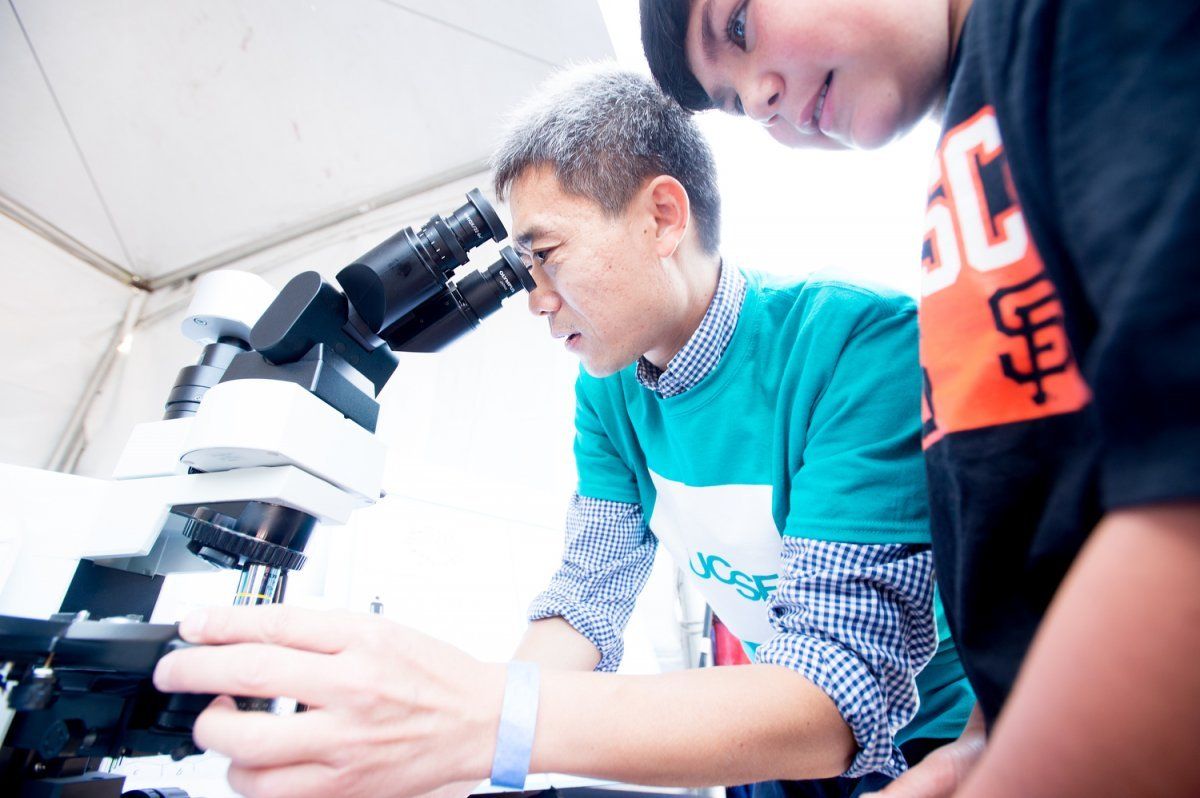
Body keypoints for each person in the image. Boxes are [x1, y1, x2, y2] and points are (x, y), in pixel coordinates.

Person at [153, 66, 974, 798]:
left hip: (922, 738)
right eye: (521, 269)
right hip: (762, 735)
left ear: (662, 218)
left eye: (546, 253)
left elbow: (834, 691)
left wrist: (485, 721)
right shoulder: (609, 390)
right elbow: (586, 601)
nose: (535, 298)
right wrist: (446, 756)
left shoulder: (855, 346)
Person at [639, 1, 1200, 795]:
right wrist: (979, 746)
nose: (759, 101)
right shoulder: (972, 149)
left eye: (737, 26)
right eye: (733, 103)